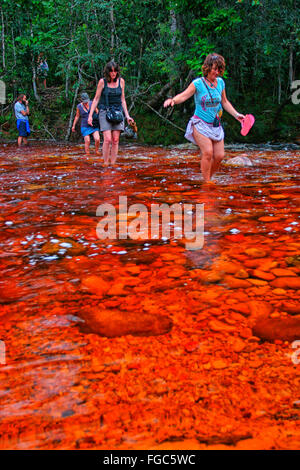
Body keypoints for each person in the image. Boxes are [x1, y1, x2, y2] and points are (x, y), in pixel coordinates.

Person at [164, 53, 245, 183]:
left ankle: (208, 179)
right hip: (200, 123)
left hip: (216, 125)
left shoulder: (221, 83)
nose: (217, 72)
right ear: (207, 68)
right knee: (208, 153)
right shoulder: (198, 83)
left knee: (219, 156)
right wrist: (173, 100)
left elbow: (224, 102)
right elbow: (184, 96)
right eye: (214, 69)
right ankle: (207, 183)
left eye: (219, 69)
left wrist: (237, 115)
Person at [88, 60, 134, 166]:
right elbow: (96, 99)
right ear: (107, 72)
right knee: (107, 139)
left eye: (115, 71)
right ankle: (105, 162)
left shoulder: (121, 81)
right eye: (111, 71)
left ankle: (113, 163)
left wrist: (127, 116)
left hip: (118, 112)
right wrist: (90, 115)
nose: (113, 73)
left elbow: (123, 99)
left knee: (115, 139)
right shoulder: (102, 82)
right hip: (104, 111)